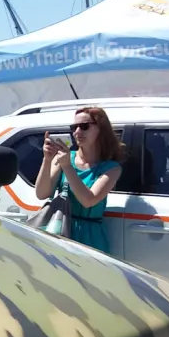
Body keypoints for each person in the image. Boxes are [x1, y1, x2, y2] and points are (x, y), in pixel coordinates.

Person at [34, 106, 123, 253]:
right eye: (74, 127)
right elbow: (42, 194)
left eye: (84, 126)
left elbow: (88, 200)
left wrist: (67, 166)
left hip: (90, 236)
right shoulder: (66, 158)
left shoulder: (111, 168)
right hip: (60, 229)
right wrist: (47, 160)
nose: (77, 132)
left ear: (101, 129)